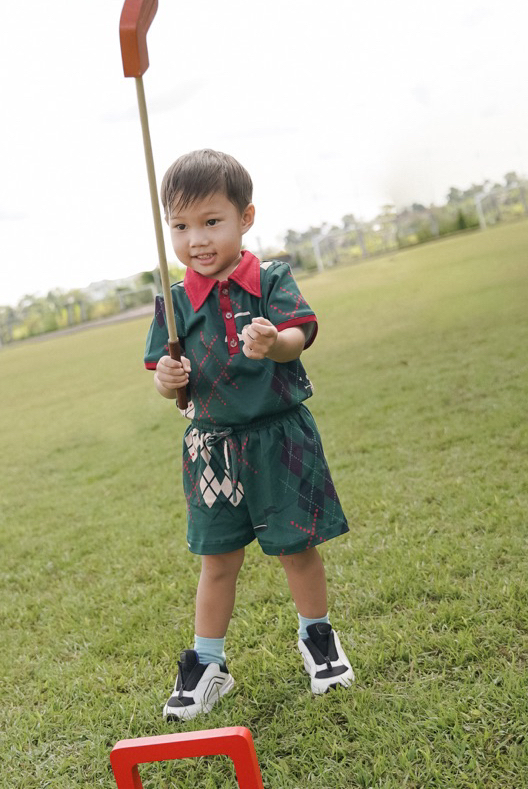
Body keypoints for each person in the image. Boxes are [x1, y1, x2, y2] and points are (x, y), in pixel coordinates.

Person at [143, 149, 353, 721]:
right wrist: (168, 379)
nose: (197, 240)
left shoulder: (272, 279)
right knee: (217, 559)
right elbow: (168, 386)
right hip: (211, 448)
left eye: (212, 222)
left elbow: (298, 336)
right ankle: (208, 664)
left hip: (279, 436)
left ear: (246, 218)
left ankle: (318, 638)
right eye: (181, 227)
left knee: (296, 547)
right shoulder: (175, 300)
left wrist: (273, 342)